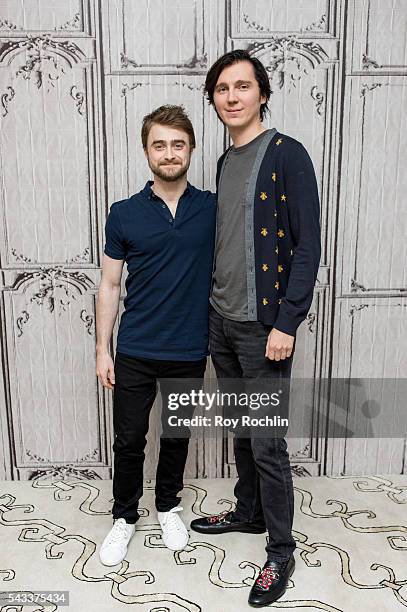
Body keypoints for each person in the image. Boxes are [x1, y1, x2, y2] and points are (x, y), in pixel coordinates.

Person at [190, 50, 321, 606]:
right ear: (215, 99)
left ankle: (281, 550)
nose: (232, 96)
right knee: (242, 431)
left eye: (243, 86)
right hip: (222, 321)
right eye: (222, 88)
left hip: (263, 326)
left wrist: (287, 320)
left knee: (267, 444)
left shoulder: (287, 155)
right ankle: (247, 514)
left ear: (262, 94)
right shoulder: (225, 161)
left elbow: (307, 245)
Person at [96, 105, 216, 566]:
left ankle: (167, 506)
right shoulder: (124, 214)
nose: (169, 153)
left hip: (189, 347)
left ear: (190, 149)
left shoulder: (211, 208)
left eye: (177, 144)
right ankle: (124, 517)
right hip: (135, 350)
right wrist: (102, 350)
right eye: (159, 144)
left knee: (176, 435)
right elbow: (109, 285)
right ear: (147, 151)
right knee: (129, 440)